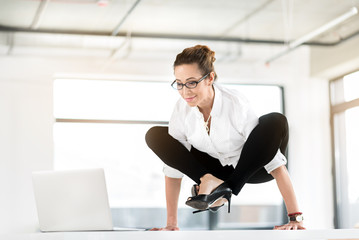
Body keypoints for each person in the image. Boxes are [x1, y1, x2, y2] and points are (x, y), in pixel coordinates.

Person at [145, 45, 306, 231]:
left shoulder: (235, 104)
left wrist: (295, 217)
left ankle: (225, 189)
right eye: (179, 84)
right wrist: (171, 224)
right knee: (155, 135)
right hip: (212, 170)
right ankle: (209, 182)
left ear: (210, 78)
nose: (185, 92)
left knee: (275, 121)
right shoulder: (181, 111)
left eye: (191, 82)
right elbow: (173, 166)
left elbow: (275, 164)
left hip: (250, 169)